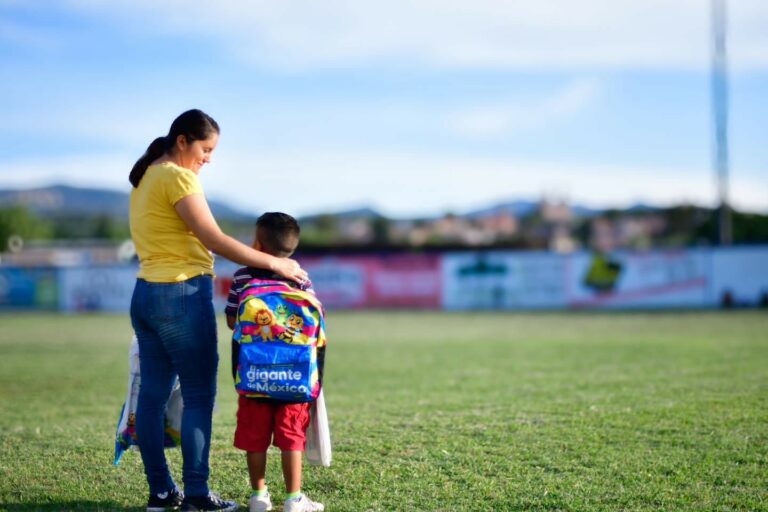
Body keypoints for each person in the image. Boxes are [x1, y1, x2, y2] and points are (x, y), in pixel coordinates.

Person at [129, 109, 308, 512]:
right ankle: (196, 494)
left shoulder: (145, 177)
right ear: (182, 141)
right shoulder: (178, 176)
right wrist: (276, 263)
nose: (208, 159)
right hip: (180, 293)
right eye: (206, 149)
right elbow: (214, 239)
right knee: (197, 396)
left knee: (153, 396)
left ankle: (161, 493)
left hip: (145, 294)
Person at [225, 212, 325, 512]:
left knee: (255, 437)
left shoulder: (242, 277)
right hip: (295, 375)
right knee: (292, 436)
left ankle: (258, 496)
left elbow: (232, 321)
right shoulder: (301, 277)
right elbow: (315, 325)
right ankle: (294, 499)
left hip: (254, 374)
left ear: (257, 244)